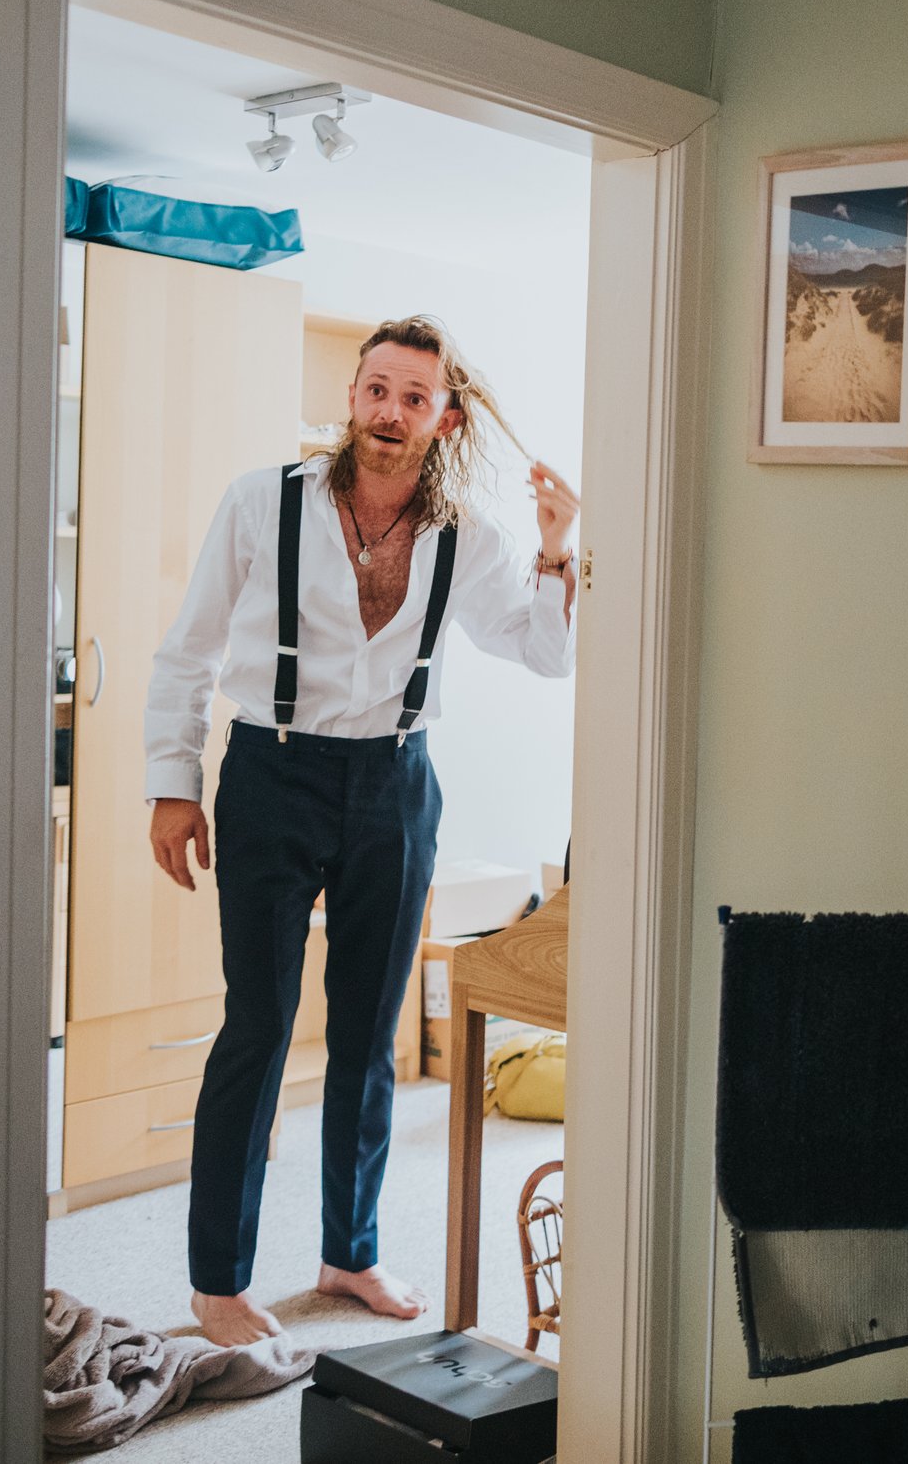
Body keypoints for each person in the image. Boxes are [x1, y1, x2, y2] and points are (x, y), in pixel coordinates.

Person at [145, 316, 581, 1347]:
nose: (389, 412)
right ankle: (217, 1281)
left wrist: (559, 549)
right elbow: (186, 650)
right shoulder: (264, 502)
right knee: (256, 1025)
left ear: (445, 416)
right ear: (353, 395)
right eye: (376, 390)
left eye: (413, 398)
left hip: (395, 783)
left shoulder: (466, 534)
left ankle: (350, 1252)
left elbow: (542, 653)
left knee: (369, 1035)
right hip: (270, 769)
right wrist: (172, 783)